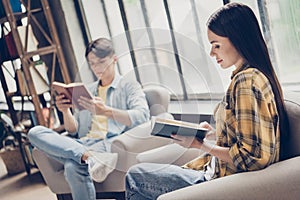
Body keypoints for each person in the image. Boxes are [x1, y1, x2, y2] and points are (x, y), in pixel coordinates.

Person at [125, 2, 289, 200]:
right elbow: (246, 137)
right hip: (212, 171)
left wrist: (200, 145)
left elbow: (252, 158)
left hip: (220, 182)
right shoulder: (252, 76)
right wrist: (213, 134)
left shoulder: (246, 82)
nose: (212, 53)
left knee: (135, 176)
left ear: (238, 39)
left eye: (216, 45)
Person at [28, 38, 150, 200]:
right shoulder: (87, 90)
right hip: (83, 144)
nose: (97, 68)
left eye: (101, 62)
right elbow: (74, 130)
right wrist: (65, 111)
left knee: (73, 166)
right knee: (35, 132)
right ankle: (87, 156)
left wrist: (106, 111)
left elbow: (142, 117)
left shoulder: (129, 86)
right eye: (92, 63)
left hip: (108, 144)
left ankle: (85, 156)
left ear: (114, 59)